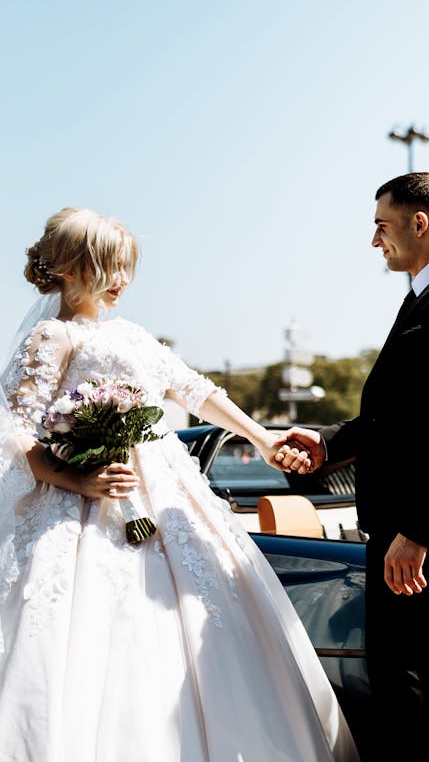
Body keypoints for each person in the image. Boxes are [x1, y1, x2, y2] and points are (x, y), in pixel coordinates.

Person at [0, 207, 359, 762]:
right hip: (87, 507)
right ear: (71, 269)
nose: (123, 280)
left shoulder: (133, 335)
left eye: (127, 267)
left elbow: (194, 390)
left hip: (171, 500)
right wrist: (77, 477)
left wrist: (262, 440)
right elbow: (16, 433)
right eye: (110, 267)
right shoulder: (54, 336)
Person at [279, 172, 429, 762]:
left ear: (419, 223)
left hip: (424, 530)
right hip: (399, 525)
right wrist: (327, 442)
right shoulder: (422, 299)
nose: (375, 240)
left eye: (381, 225)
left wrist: (417, 533)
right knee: (395, 671)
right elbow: (398, 419)